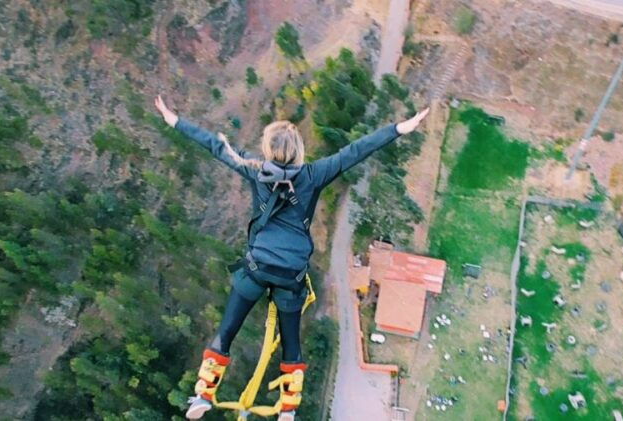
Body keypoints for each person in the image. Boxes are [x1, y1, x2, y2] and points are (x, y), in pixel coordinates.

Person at [154, 95, 428, 420]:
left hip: (256, 267)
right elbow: (356, 151)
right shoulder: (314, 174)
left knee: (226, 332)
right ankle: (287, 409)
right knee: (291, 345)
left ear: (267, 149)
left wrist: (174, 120)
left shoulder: (254, 169)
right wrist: (400, 128)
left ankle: (203, 394)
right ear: (299, 150)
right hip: (291, 275)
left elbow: (215, 146)